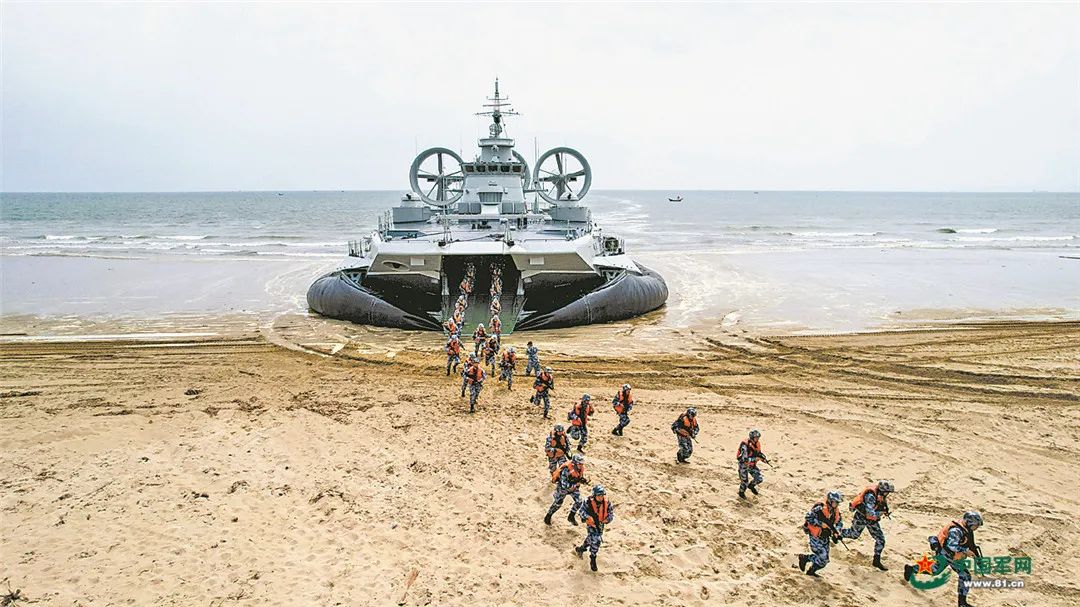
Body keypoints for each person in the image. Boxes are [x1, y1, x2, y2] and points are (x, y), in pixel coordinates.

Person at [905, 511, 983, 607]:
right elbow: (951, 546)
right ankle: (962, 603)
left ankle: (912, 569)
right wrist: (965, 551)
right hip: (947, 554)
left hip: (953, 555)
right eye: (976, 525)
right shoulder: (956, 531)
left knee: (936, 570)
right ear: (969, 522)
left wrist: (978, 559)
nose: (976, 528)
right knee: (963, 575)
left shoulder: (966, 530)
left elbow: (971, 545)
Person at [842, 480, 894, 571]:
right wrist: (879, 514)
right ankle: (836, 532)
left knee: (880, 539)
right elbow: (870, 514)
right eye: (887, 492)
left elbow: (879, 506)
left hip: (871, 521)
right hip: (861, 517)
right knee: (853, 534)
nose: (887, 494)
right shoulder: (870, 496)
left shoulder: (880, 495)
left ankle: (876, 560)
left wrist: (883, 511)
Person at [798, 491, 845, 578]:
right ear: (831, 501)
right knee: (822, 557)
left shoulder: (835, 511)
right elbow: (808, 517)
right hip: (816, 535)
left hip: (825, 535)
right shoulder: (820, 508)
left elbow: (839, 522)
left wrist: (837, 531)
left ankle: (811, 570)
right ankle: (805, 558)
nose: (837, 504)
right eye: (836, 502)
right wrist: (820, 524)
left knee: (825, 561)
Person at [575, 485, 614, 572]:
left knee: (591, 538)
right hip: (591, 524)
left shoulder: (607, 503)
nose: (600, 497)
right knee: (596, 540)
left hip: (600, 524)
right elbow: (581, 511)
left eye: (602, 495)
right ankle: (593, 557)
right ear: (594, 495)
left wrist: (607, 520)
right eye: (598, 495)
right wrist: (588, 517)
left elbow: (611, 514)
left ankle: (581, 549)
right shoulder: (587, 502)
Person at [545, 454, 588, 526]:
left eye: (582, 463)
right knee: (557, 504)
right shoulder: (566, 470)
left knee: (579, 501)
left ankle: (571, 516)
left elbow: (578, 477)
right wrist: (576, 484)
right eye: (579, 463)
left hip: (573, 488)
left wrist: (582, 480)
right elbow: (564, 485)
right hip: (563, 488)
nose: (581, 465)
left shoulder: (580, 468)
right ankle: (548, 516)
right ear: (574, 463)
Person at [736, 429, 769, 499]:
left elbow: (757, 453)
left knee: (759, 479)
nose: (757, 439)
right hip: (743, 465)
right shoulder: (744, 445)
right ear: (752, 438)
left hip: (752, 465)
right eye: (756, 438)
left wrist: (763, 457)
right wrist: (755, 459)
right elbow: (743, 459)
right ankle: (741, 493)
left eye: (758, 438)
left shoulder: (757, 443)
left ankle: (751, 486)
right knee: (744, 483)